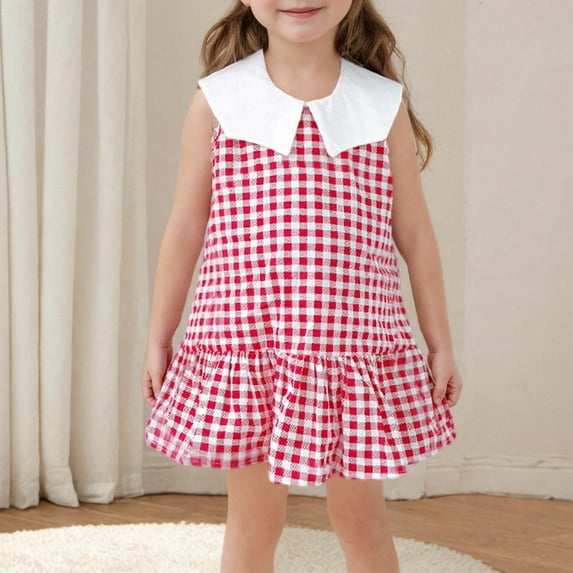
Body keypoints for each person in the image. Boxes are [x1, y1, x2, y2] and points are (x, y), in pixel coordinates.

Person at [141, 1, 463, 571]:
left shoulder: (381, 104)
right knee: (252, 523)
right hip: (248, 350)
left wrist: (440, 343)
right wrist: (158, 337)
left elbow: (414, 233)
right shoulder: (217, 101)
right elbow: (186, 228)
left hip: (351, 355)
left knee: (362, 521)